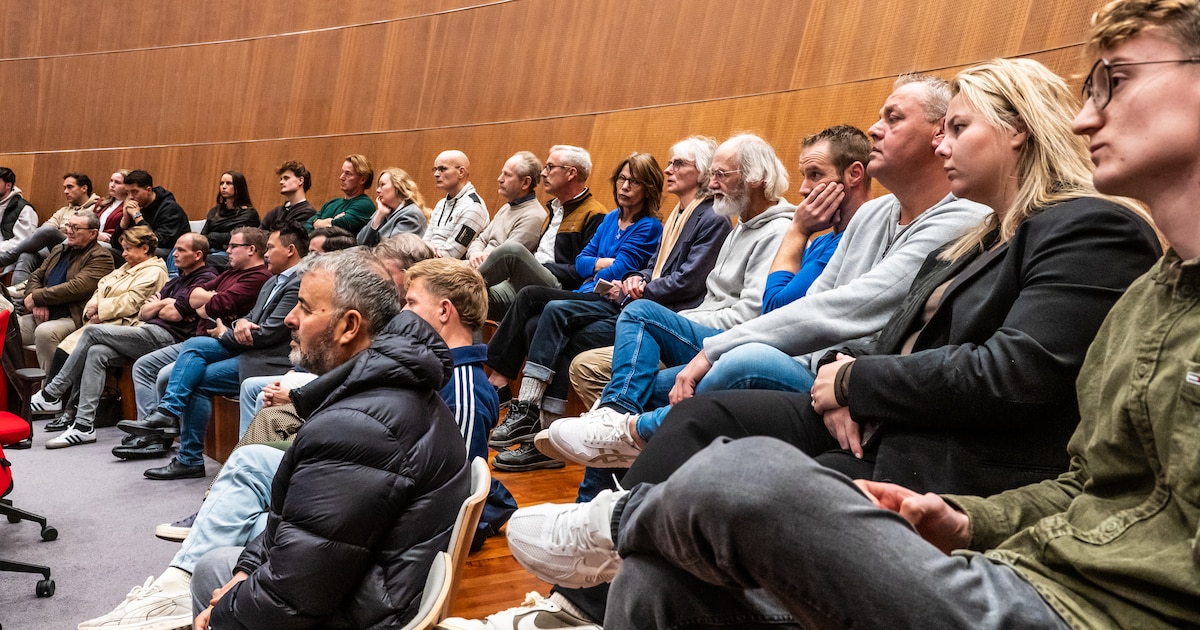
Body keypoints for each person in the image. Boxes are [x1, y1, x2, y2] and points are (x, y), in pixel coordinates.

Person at [500, 27, 1181, 628]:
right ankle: (596, 566)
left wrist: (857, 382)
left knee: (744, 462)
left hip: (953, 459)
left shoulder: (1089, 226)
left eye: (958, 127)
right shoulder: (978, 239)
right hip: (911, 440)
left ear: (1018, 130)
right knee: (659, 570)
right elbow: (883, 329)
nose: (1090, 119)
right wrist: (851, 384)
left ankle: (619, 514)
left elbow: (1012, 373)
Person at [544, 80, 992, 472]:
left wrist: (721, 349)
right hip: (815, 362)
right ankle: (612, 477)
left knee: (738, 360)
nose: (875, 128)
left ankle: (630, 452)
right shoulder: (874, 214)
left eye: (893, 118)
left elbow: (849, 308)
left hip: (845, 376)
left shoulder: (961, 219)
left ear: (938, 135)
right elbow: (813, 300)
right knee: (646, 379)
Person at [81, 249, 470, 630]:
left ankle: (176, 599)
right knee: (217, 565)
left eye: (304, 307)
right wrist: (246, 572)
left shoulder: (358, 427)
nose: (290, 318)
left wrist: (225, 612)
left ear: (350, 326)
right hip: (368, 580)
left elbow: (296, 595)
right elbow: (301, 528)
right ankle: (172, 590)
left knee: (216, 580)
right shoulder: (383, 389)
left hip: (367, 609)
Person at [119, 227, 306, 479]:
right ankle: (178, 436)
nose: (266, 253)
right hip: (247, 350)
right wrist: (237, 324)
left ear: (290, 250)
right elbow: (246, 319)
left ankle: (175, 429)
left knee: (196, 362)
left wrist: (224, 332)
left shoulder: (295, 283)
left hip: (269, 360)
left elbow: (267, 333)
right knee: (195, 353)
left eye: (271, 248)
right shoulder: (274, 279)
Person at [29, 233, 216, 450]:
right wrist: (162, 304)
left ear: (198, 254)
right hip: (148, 329)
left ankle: (52, 393)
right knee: (96, 351)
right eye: (175, 249)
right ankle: (83, 426)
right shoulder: (180, 278)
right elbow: (145, 312)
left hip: (170, 338)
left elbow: (172, 314)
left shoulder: (206, 278)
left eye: (181, 250)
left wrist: (162, 306)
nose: (174, 254)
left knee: (92, 333)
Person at [403, 258, 517, 547]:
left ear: (443, 310)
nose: (403, 312)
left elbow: (454, 495)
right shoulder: (433, 370)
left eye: (412, 303)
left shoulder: (464, 391)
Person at [477, 145, 607, 320]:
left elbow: (585, 270)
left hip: (560, 287)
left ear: (571, 173)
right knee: (470, 298)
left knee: (511, 251)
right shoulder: (554, 209)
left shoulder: (595, 214)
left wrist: (543, 267)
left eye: (550, 167)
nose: (544, 173)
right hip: (526, 281)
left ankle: (457, 282)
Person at [19, 211, 113, 373]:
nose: (69, 231)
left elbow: (76, 288)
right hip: (43, 312)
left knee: (45, 333)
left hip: (72, 316)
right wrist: (37, 303)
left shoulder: (101, 257)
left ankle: (50, 393)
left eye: (76, 228)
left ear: (93, 233)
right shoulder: (59, 249)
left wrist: (38, 297)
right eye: (69, 226)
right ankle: (16, 388)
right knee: (7, 327)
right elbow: (36, 275)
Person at [2, 172, 93, 286]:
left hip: (78, 249)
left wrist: (60, 230)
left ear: (84, 188)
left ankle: (5, 258)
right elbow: (46, 227)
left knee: (49, 232)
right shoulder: (64, 210)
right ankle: (16, 300)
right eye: (64, 188)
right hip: (57, 248)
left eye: (70, 187)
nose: (65, 191)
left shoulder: (95, 208)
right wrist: (63, 230)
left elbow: (50, 231)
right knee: (26, 255)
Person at [466, 151, 549, 269]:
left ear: (525, 182)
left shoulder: (534, 216)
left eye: (507, 175)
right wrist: (475, 254)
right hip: (475, 265)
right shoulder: (506, 207)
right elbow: (480, 240)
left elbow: (503, 258)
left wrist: (476, 260)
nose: (500, 179)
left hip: (489, 274)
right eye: (502, 173)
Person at [424, 150, 490, 259]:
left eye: (442, 169)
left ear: (461, 172)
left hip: (450, 272)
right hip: (429, 263)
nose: (436, 174)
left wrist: (428, 250)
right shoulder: (441, 204)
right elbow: (423, 244)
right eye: (435, 169)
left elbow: (450, 256)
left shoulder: (473, 207)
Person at [115, 169, 189, 258]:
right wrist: (125, 220)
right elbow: (115, 244)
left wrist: (138, 217)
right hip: (139, 249)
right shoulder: (136, 206)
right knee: (110, 252)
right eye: (127, 192)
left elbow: (158, 241)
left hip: (168, 254)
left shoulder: (170, 209)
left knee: (140, 251)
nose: (130, 197)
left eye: (134, 192)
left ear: (148, 190)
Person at [356, 166, 428, 246]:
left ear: (397, 186)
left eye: (382, 185)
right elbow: (360, 242)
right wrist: (379, 215)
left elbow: (392, 251)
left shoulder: (411, 214)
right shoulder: (383, 211)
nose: (378, 190)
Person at [304, 154, 375, 234]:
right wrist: (329, 222)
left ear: (362, 179)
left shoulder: (365, 204)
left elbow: (340, 225)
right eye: (343, 172)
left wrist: (317, 223)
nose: (341, 177)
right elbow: (307, 225)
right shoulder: (331, 203)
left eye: (348, 173)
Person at [200, 170, 260, 253]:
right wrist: (220, 242)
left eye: (228, 183)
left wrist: (212, 236)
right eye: (221, 183)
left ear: (238, 187)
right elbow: (203, 236)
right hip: (210, 249)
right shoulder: (215, 211)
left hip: (230, 253)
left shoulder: (249, 214)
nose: (223, 187)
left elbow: (235, 238)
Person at [259, 161, 315, 233]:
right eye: (281, 179)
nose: (281, 182)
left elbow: (285, 239)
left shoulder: (307, 213)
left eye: (286, 178)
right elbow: (259, 236)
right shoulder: (275, 211)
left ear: (300, 180)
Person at [92, 170, 131, 244]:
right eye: (111, 181)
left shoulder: (129, 207)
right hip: (94, 238)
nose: (112, 185)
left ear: (127, 187)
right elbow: (89, 223)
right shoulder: (101, 203)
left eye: (117, 182)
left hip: (111, 243)